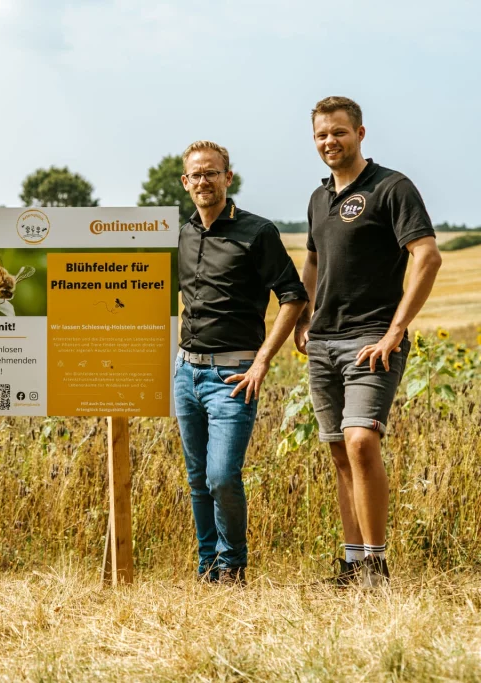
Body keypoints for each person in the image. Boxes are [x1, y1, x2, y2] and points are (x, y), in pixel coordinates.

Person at [294, 96, 442, 587]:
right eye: (321, 135)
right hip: (324, 344)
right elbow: (313, 262)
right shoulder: (319, 199)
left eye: (338, 132)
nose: (329, 142)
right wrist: (305, 317)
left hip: (371, 340)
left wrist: (395, 331)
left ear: (360, 133)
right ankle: (353, 563)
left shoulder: (391, 188)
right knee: (339, 450)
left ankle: (376, 567)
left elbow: (427, 256)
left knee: (361, 441)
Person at [174, 141, 308, 584]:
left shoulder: (257, 231)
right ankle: (207, 567)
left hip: (233, 375)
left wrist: (263, 362)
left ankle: (232, 567)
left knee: (221, 476)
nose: (203, 181)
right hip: (185, 373)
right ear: (185, 181)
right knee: (197, 479)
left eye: (212, 173)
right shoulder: (183, 232)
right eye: (196, 174)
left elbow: (293, 296)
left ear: (228, 178)